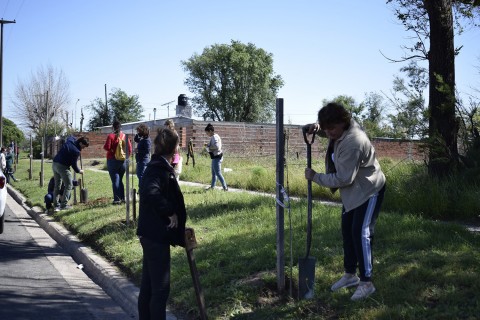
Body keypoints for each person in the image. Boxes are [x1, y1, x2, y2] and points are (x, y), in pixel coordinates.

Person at [304, 102, 386, 301]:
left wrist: (316, 177)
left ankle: (367, 283)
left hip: (368, 190)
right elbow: (330, 130)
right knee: (347, 232)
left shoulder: (353, 142)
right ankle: (350, 275)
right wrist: (317, 127)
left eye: (332, 128)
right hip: (352, 192)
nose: (329, 132)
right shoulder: (341, 129)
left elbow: (343, 179)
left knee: (361, 233)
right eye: (326, 128)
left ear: (343, 122)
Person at [136, 128, 187, 320]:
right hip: (155, 236)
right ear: (174, 148)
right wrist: (169, 211)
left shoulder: (157, 165)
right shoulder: (158, 168)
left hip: (152, 234)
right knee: (160, 290)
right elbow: (151, 193)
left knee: (149, 286)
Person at [52, 136, 89, 211]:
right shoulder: (76, 151)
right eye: (83, 146)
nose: (83, 148)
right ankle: (63, 205)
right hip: (62, 167)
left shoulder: (70, 140)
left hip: (55, 164)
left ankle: (56, 204)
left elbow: (71, 136)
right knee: (69, 184)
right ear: (80, 143)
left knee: (57, 185)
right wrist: (79, 171)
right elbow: (74, 165)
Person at [103, 120, 132, 205]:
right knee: (120, 180)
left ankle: (117, 200)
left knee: (115, 180)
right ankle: (122, 198)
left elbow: (107, 147)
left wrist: (112, 150)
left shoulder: (111, 136)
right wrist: (125, 156)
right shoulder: (125, 136)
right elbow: (129, 150)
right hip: (123, 161)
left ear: (113, 127)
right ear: (121, 127)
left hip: (112, 160)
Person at [204, 123, 228, 191]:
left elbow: (217, 147)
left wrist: (209, 148)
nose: (207, 134)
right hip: (215, 157)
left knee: (218, 173)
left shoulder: (215, 137)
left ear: (210, 131)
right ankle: (212, 187)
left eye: (207, 133)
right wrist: (208, 145)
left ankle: (225, 187)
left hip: (217, 157)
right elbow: (213, 144)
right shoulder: (214, 137)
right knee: (214, 173)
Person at [134, 123, 152, 192]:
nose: (138, 132)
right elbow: (136, 139)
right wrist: (137, 134)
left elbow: (147, 150)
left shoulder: (147, 140)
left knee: (141, 176)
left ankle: (143, 190)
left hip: (143, 161)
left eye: (139, 131)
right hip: (140, 160)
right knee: (140, 175)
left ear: (143, 131)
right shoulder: (143, 139)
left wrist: (138, 150)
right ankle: (141, 189)